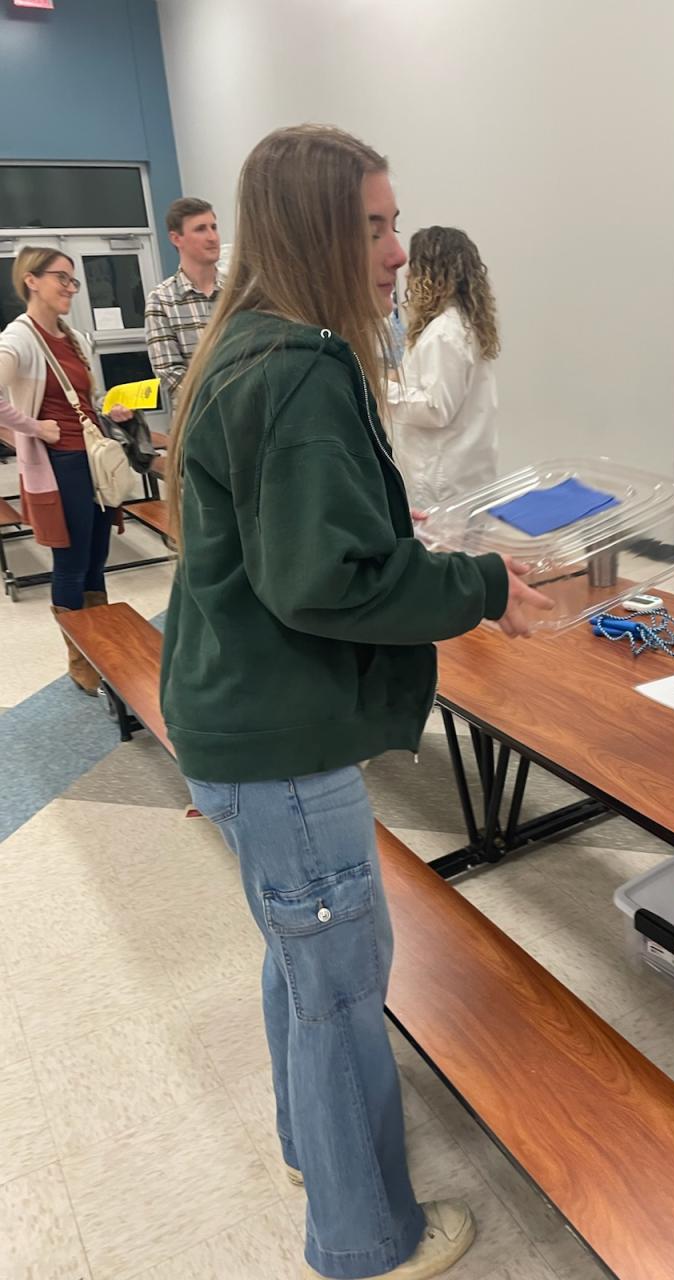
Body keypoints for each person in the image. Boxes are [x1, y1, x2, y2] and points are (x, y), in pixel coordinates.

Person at [160, 124, 551, 1280]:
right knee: (338, 985)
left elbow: (297, 547)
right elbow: (322, 579)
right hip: (277, 739)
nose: (394, 253)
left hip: (239, 717)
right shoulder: (301, 366)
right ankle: (366, 1237)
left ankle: (309, 1149)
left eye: (395, 225)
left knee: (300, 962)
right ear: (314, 233)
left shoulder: (246, 344)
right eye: (373, 227)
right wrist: (480, 586)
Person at [0, 247, 134, 693]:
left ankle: (102, 645)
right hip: (62, 465)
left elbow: (83, 401)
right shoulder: (20, 338)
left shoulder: (74, 337)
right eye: (62, 278)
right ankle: (80, 658)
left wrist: (109, 408)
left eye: (73, 280)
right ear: (31, 280)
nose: (71, 288)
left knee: (96, 559)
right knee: (72, 563)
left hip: (93, 459)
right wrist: (34, 426)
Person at [387, 227, 499, 510]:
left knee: (439, 538)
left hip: (441, 485)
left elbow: (436, 409)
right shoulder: (460, 325)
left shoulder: (444, 333)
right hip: (460, 478)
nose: (406, 274)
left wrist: (380, 389)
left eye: (414, 265)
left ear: (431, 272)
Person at [144, 197, 223, 402]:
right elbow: (169, 374)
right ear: (176, 238)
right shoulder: (161, 300)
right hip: (199, 414)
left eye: (214, 227)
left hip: (249, 410)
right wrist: (222, 398)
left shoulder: (239, 291)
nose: (212, 237)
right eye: (200, 229)